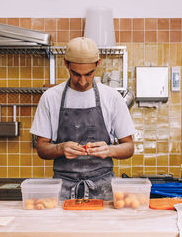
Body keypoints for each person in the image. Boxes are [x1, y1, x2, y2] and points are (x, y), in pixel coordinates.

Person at [30, 37, 135, 200]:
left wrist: (109, 149)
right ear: (66, 64)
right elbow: (42, 148)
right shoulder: (50, 97)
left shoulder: (112, 97)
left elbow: (129, 147)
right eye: (76, 74)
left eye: (89, 74)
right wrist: (59, 148)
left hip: (104, 191)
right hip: (63, 191)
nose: (83, 81)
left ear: (98, 64)